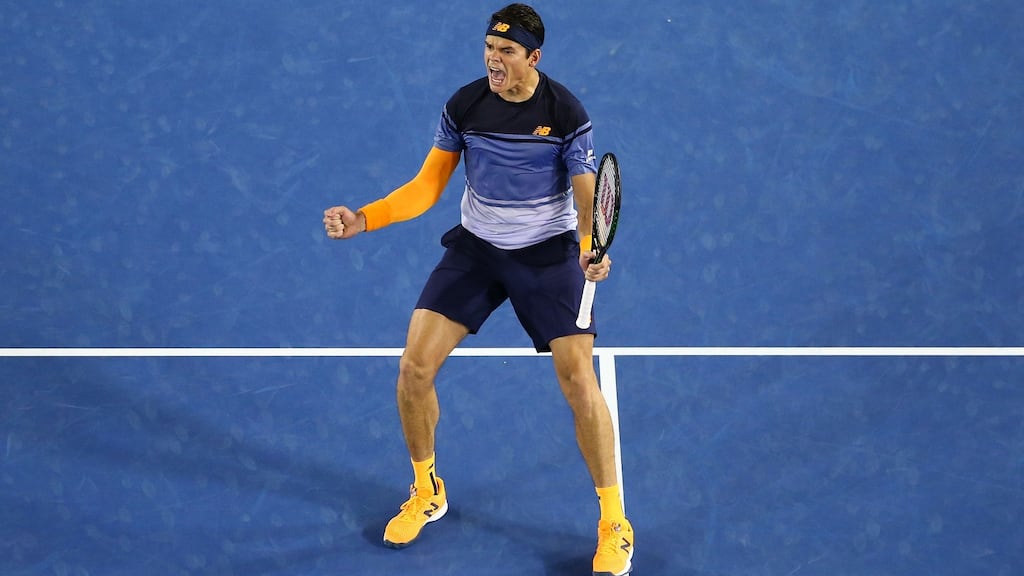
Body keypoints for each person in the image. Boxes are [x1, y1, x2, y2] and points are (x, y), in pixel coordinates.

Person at [323, 4, 633, 574]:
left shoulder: (565, 113)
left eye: (507, 52)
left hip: (547, 256)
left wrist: (590, 245)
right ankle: (427, 489)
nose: (495, 60)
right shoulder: (465, 105)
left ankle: (614, 521)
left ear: (532, 58)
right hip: (477, 249)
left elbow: (588, 195)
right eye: (490, 49)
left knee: (577, 380)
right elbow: (426, 186)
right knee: (414, 367)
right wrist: (365, 217)